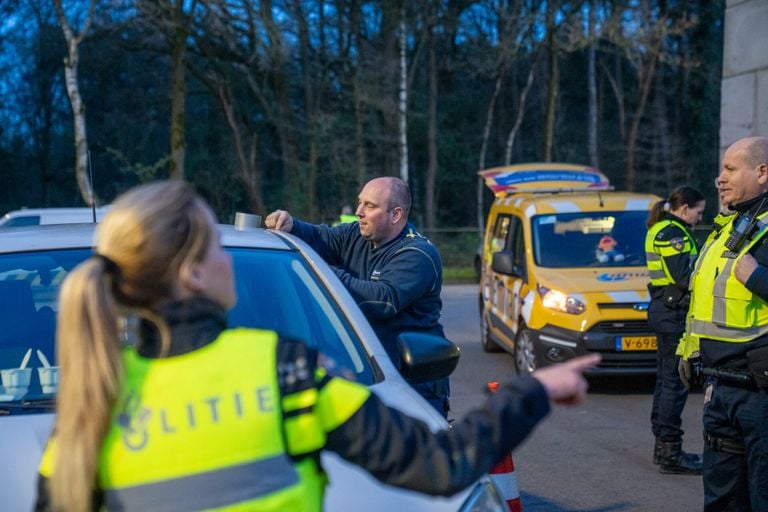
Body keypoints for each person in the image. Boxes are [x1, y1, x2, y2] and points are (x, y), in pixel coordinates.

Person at [34, 179, 600, 511]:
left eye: (369, 206)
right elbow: (442, 464)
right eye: (217, 246)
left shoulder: (87, 411)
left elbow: (375, 296)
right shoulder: (283, 374)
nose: (230, 254)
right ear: (193, 275)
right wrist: (529, 393)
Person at [266, 177, 451, 416]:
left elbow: (383, 300)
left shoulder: (418, 254)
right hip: (364, 374)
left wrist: (321, 272)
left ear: (395, 215)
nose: (358, 212)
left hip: (412, 385)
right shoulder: (355, 234)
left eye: (369, 206)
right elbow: (318, 238)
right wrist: (291, 225)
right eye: (359, 202)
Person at [679, 136, 768, 510]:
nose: (720, 178)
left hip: (760, 395)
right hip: (720, 388)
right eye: (721, 169)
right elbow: (701, 306)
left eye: (731, 169)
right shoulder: (725, 230)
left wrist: (759, 279)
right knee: (722, 499)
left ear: (762, 172)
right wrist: (689, 353)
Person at [644, 186, 705, 475]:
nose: (699, 217)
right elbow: (684, 276)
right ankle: (670, 452)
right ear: (684, 209)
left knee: (665, 381)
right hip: (673, 313)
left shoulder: (662, 227)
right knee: (675, 383)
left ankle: (663, 446)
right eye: (698, 211)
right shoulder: (673, 233)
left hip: (664, 309)